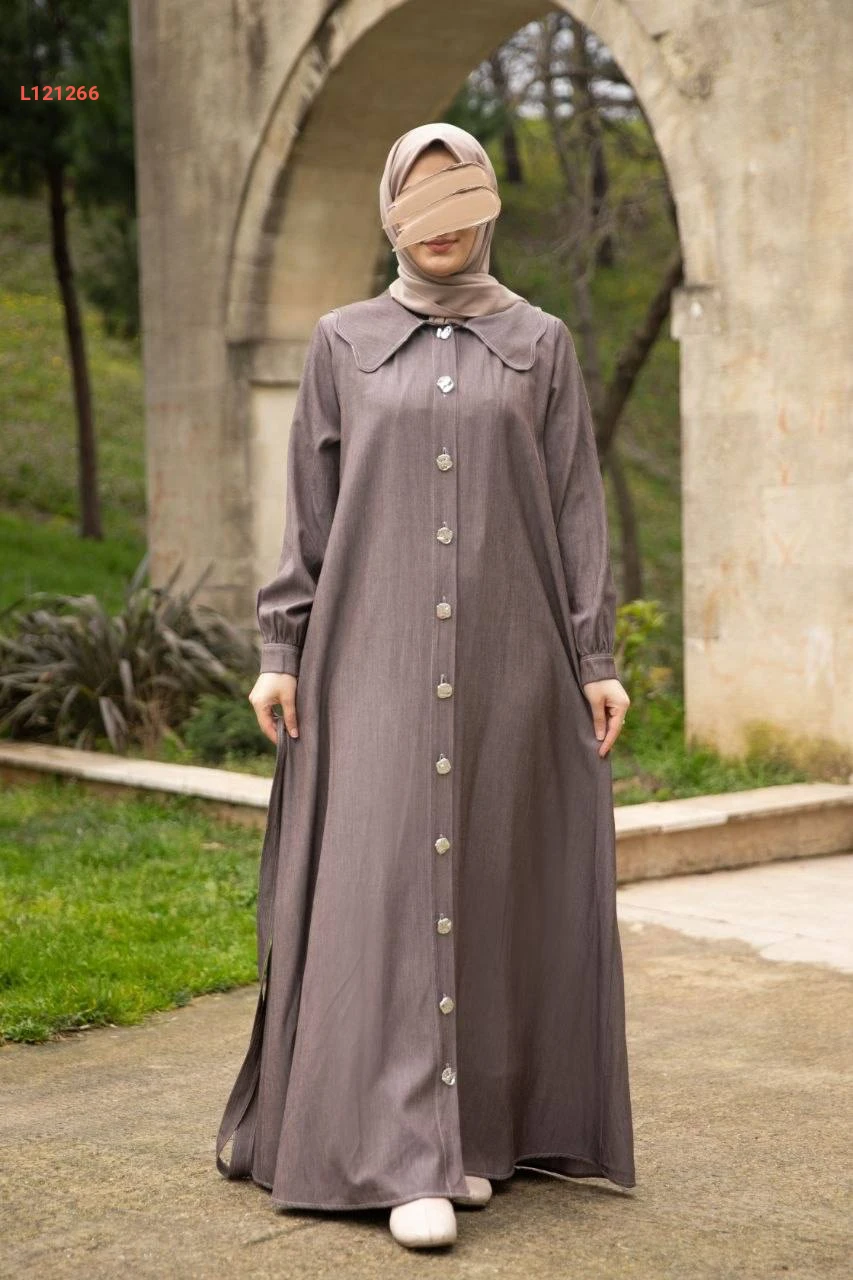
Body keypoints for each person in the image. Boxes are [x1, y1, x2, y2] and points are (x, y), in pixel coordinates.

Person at [216, 121, 635, 1251]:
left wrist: (593, 660)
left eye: (459, 200)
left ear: (486, 207)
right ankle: (402, 1151)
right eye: (418, 201)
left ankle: (467, 1136)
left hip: (511, 657)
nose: (439, 226)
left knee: (489, 878)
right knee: (389, 885)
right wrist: (279, 648)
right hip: (370, 659)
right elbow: (308, 509)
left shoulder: (539, 343)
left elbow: (575, 505)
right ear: (391, 213)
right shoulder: (342, 342)